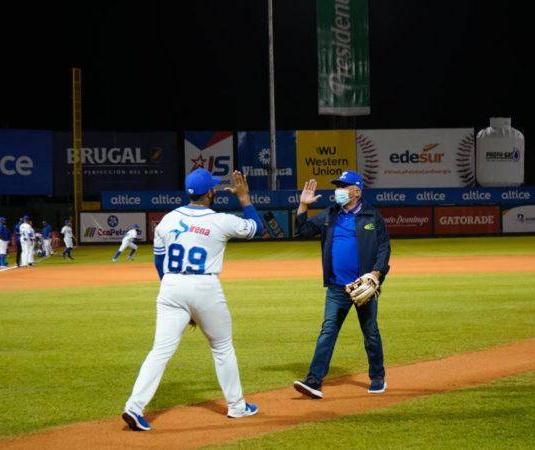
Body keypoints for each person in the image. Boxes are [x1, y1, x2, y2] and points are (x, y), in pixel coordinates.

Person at [122, 169, 263, 431]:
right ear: (210, 192)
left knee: (159, 351)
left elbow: (158, 260)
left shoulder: (167, 220)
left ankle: (134, 406)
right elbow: (258, 228)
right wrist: (244, 198)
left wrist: (175, 297)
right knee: (222, 347)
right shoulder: (220, 220)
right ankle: (237, 406)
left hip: (171, 285)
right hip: (204, 286)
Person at [292, 171, 391, 399]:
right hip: (337, 288)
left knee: (371, 333)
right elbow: (303, 231)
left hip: (362, 287)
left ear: (356, 191)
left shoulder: (371, 216)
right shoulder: (330, 215)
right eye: (338, 186)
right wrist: (303, 206)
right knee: (328, 332)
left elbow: (384, 247)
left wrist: (376, 274)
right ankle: (314, 381)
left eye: (344, 186)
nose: (339, 190)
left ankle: (377, 377)